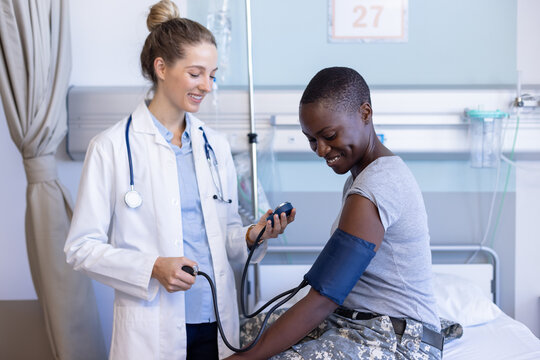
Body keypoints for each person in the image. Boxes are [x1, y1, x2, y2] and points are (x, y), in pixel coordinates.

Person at [64, 1, 295, 359]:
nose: (207, 85)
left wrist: (252, 235)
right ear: (161, 67)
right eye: (195, 73)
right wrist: (152, 267)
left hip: (215, 323)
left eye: (212, 75)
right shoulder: (110, 147)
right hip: (151, 329)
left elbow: (227, 238)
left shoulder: (214, 147)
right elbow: (81, 249)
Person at [226, 67, 443, 360]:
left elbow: (324, 297)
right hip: (353, 321)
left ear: (365, 113)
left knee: (254, 354)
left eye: (328, 135)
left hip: (399, 340)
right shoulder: (360, 178)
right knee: (241, 334)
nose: (320, 150)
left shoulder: (378, 184)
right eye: (312, 140)